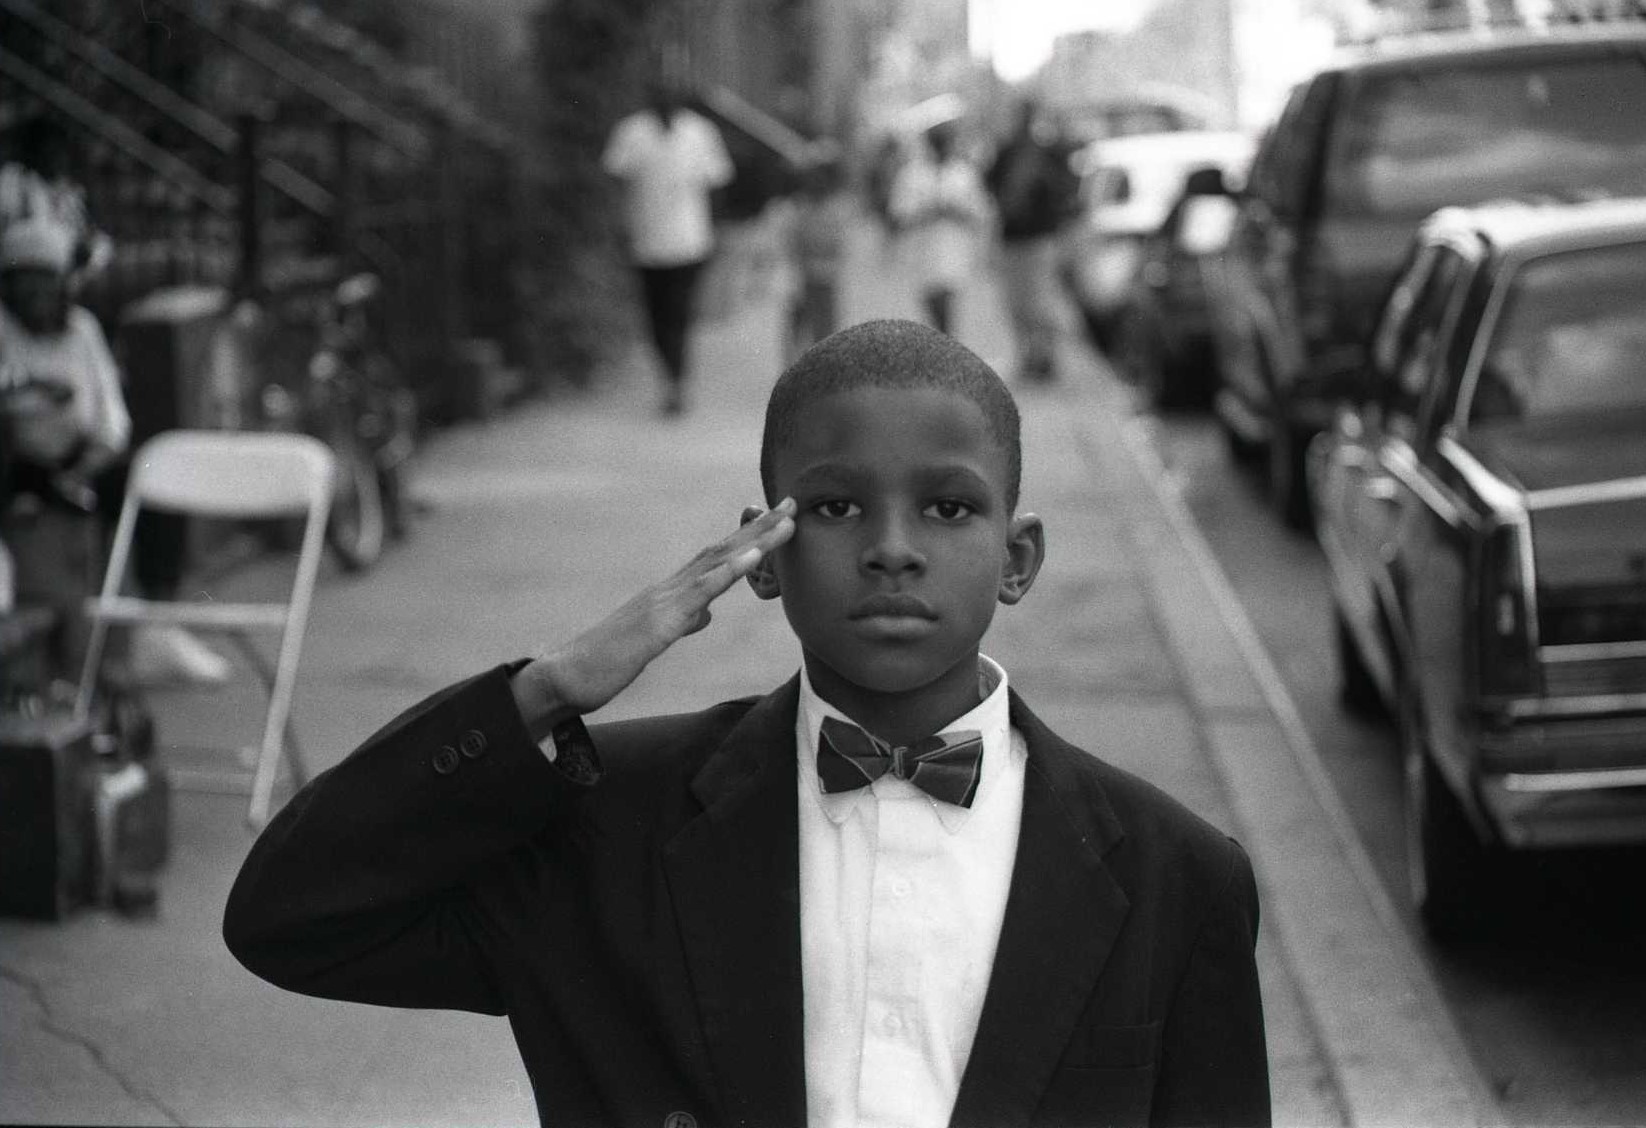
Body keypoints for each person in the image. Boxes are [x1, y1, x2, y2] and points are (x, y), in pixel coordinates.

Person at [223, 319, 1270, 1128]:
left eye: (947, 507)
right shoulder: (608, 827)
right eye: (833, 507)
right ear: (759, 554)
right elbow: (293, 917)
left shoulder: (1175, 876)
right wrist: (542, 691)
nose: (891, 548)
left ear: (1018, 558)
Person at [0, 218, 228, 686]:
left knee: (147, 482)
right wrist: (33, 391)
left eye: (44, 279)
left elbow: (110, 413)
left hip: (81, 455)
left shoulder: (81, 329)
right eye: (23, 280)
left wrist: (94, 458)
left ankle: (157, 621)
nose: (35, 292)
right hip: (23, 461)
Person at [602, 78, 735, 416]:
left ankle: (676, 382)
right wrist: (620, 226)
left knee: (678, 313)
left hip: (689, 240)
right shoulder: (631, 133)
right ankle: (669, 374)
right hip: (646, 240)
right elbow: (616, 179)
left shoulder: (699, 132)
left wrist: (716, 229)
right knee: (654, 316)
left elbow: (717, 183)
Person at [986, 98, 1082, 383]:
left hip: (1039, 239)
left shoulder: (1048, 152)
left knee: (1039, 303)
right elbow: (990, 186)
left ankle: (1045, 358)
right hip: (1013, 239)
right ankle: (1030, 356)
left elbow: (1067, 189)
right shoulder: (1007, 151)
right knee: (1017, 304)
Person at [890, 122, 991, 336]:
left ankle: (947, 341)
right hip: (922, 249)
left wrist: (955, 210)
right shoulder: (912, 173)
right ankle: (943, 339)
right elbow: (899, 213)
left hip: (953, 247)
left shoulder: (963, 173)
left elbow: (979, 211)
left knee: (947, 297)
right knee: (931, 298)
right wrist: (927, 211)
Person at [783, 146, 852, 365]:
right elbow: (791, 242)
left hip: (824, 276)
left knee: (823, 328)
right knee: (800, 326)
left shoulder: (836, 208)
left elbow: (836, 245)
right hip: (803, 276)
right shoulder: (800, 207)